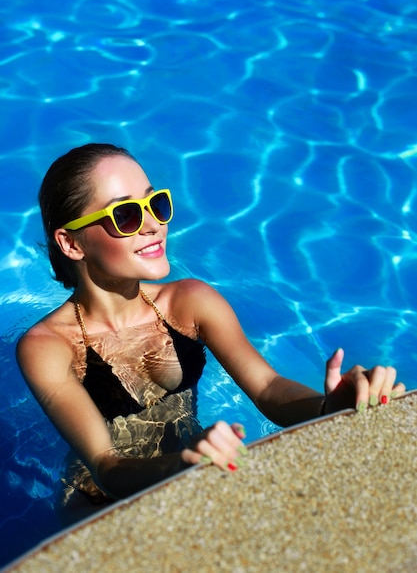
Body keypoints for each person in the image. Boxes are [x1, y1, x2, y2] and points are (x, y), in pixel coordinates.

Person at [16, 143, 405, 519]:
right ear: (71, 243)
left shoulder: (190, 302)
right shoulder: (48, 346)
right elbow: (105, 465)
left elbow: (269, 388)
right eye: (127, 216)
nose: (154, 224)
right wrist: (183, 465)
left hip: (197, 462)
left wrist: (327, 407)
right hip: (99, 506)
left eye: (157, 204)